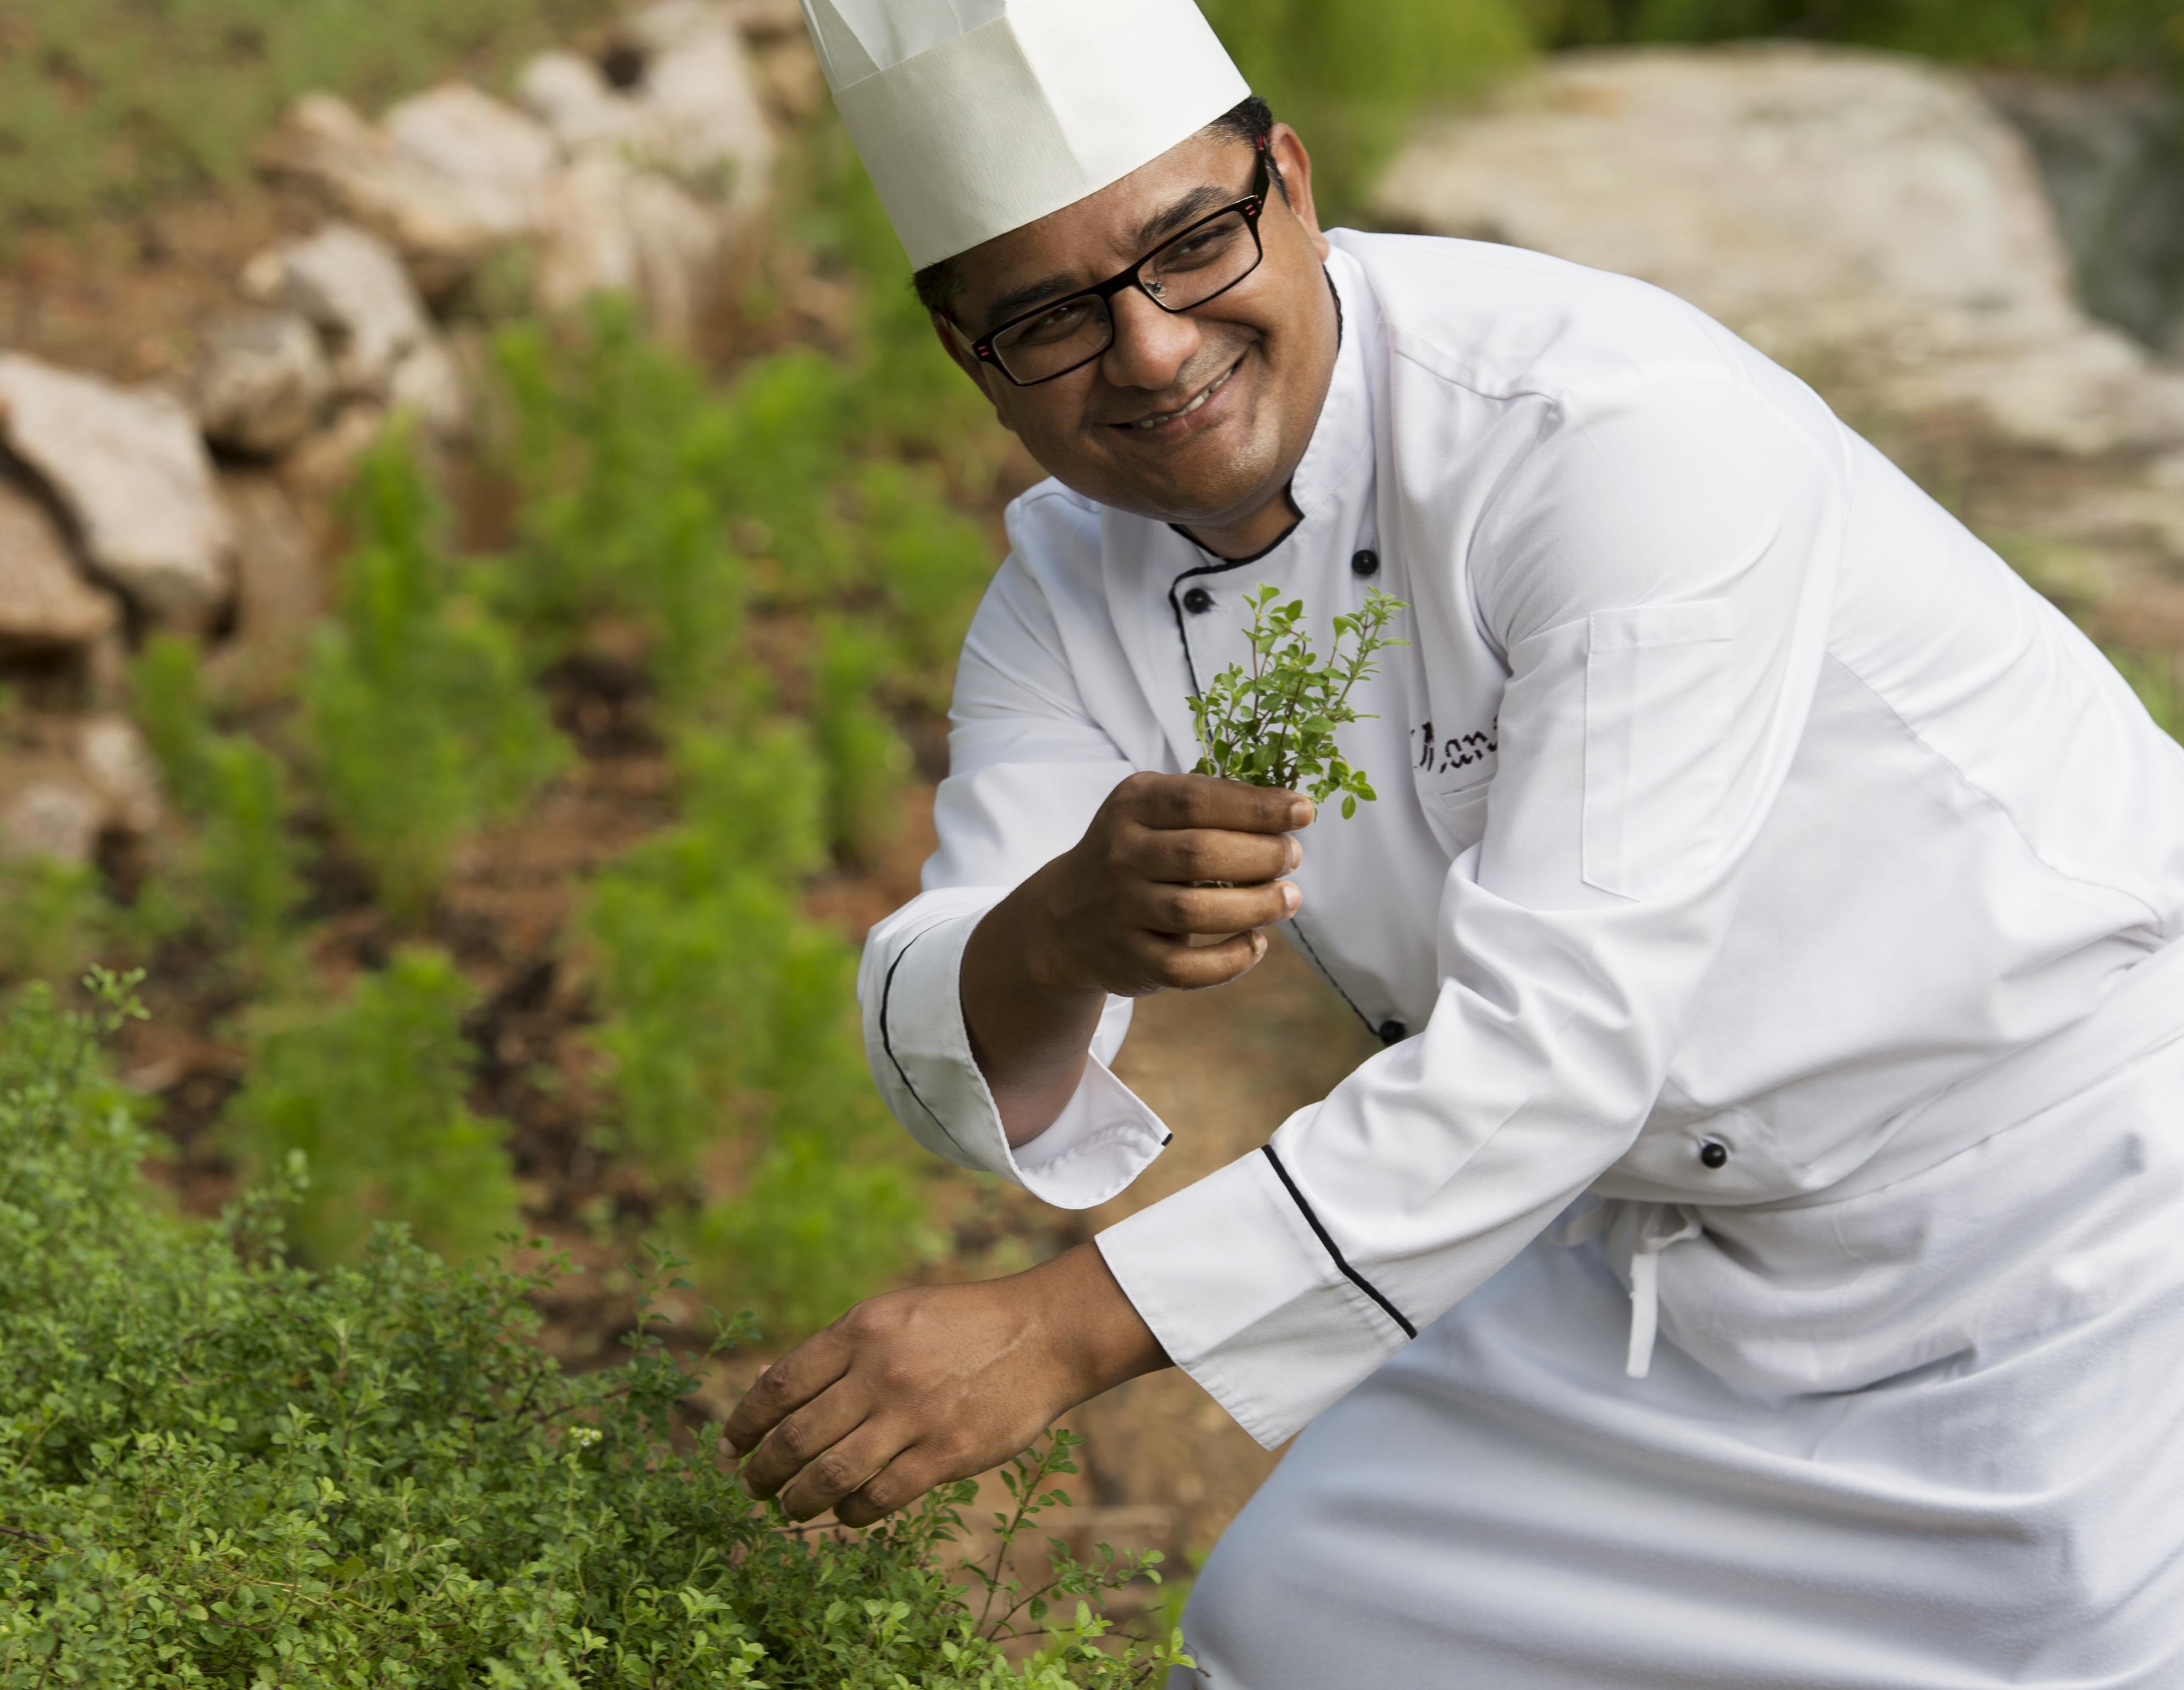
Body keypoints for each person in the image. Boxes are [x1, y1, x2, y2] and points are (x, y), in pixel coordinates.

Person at [717, 1, 2184, 1682]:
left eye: (1190, 242)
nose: (1146, 348)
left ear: (1287, 179)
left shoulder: (1604, 428)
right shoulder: (1065, 595)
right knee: (1304, 1628)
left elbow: (1557, 1050)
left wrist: (1057, 1329)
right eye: (1049, 314)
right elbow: (953, 1025)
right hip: (1672, 1274)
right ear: (966, 353)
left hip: (2068, 1202)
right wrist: (1059, 930)